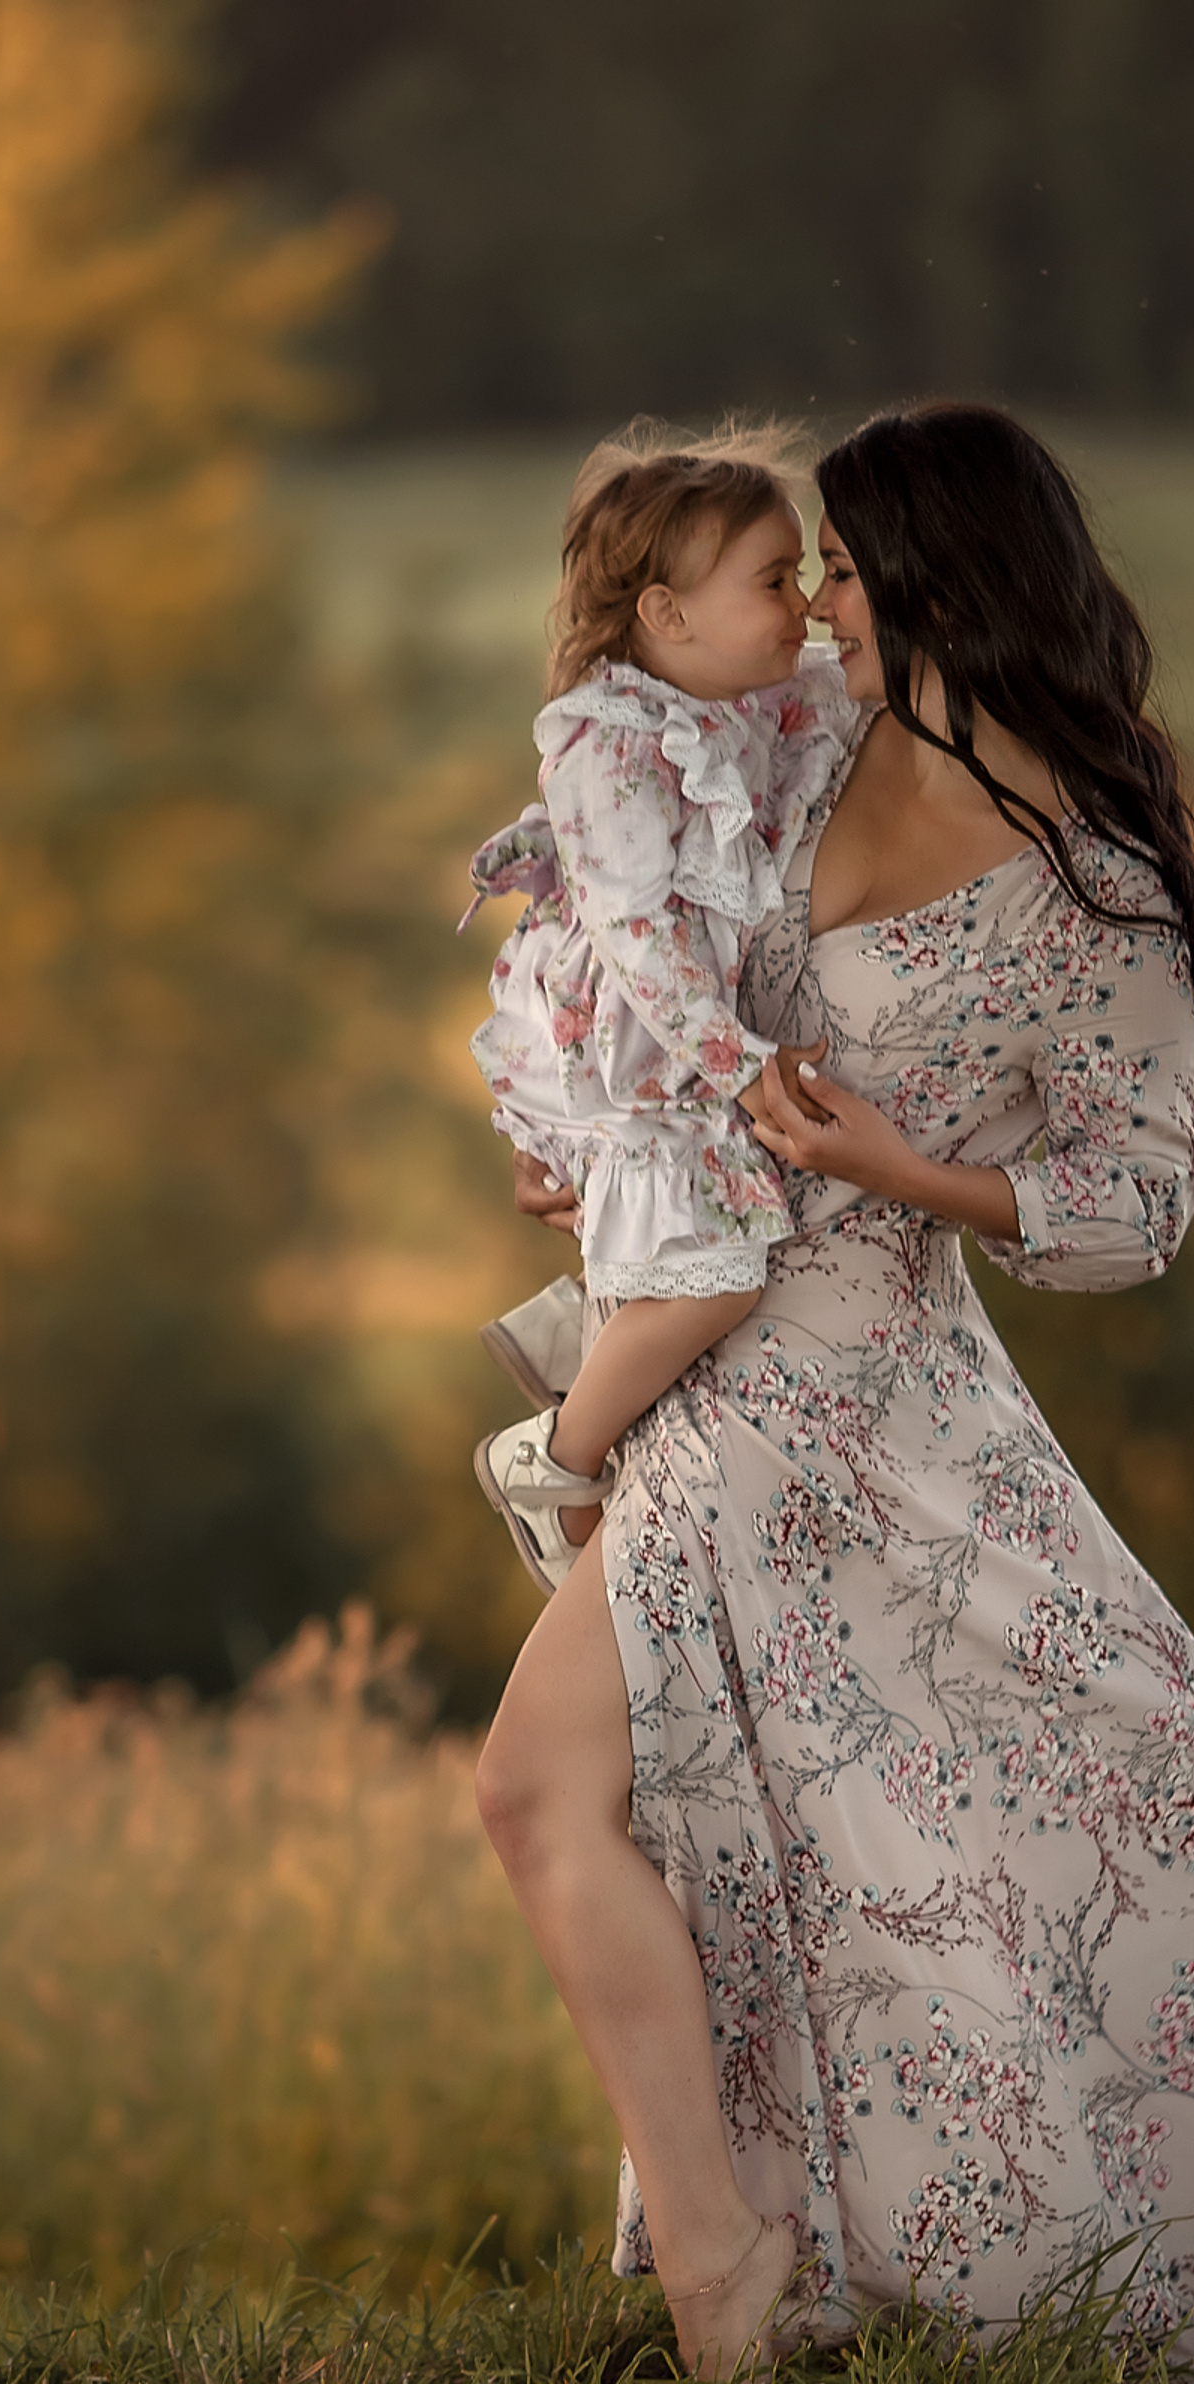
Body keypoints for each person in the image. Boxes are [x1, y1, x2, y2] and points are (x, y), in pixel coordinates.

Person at [475, 402, 1194, 2384]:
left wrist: (903, 1168)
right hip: (711, 1357)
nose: (818, 609)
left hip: (867, 1391)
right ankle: (737, 2263)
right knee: (694, 1819)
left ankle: (755, 2278)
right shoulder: (793, 757)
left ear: (942, 574)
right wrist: (597, 1129)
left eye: (850, 574)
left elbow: (1131, 1205)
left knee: (886, 1839)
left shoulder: (1093, 888)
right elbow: (669, 977)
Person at [465, 428, 857, 1591]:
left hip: (673, 1041)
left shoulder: (741, 699)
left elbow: (857, 708)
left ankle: (584, 1334)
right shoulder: (607, 743)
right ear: (664, 614)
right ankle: (554, 1454)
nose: (804, 607)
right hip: (634, 1039)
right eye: (772, 581)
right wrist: (737, 1064)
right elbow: (636, 934)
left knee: (700, 1241)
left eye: (803, 575)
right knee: (723, 1268)